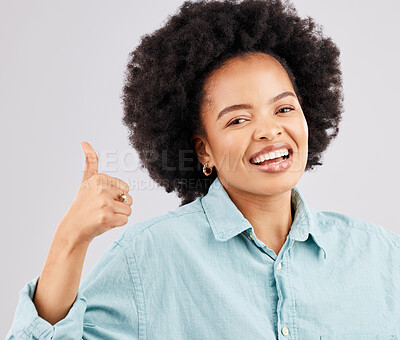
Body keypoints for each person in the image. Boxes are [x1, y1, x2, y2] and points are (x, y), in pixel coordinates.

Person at [7, 0, 400, 338]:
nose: (269, 130)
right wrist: (70, 240)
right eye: (237, 120)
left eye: (284, 108)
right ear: (204, 150)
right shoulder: (148, 259)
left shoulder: (380, 256)